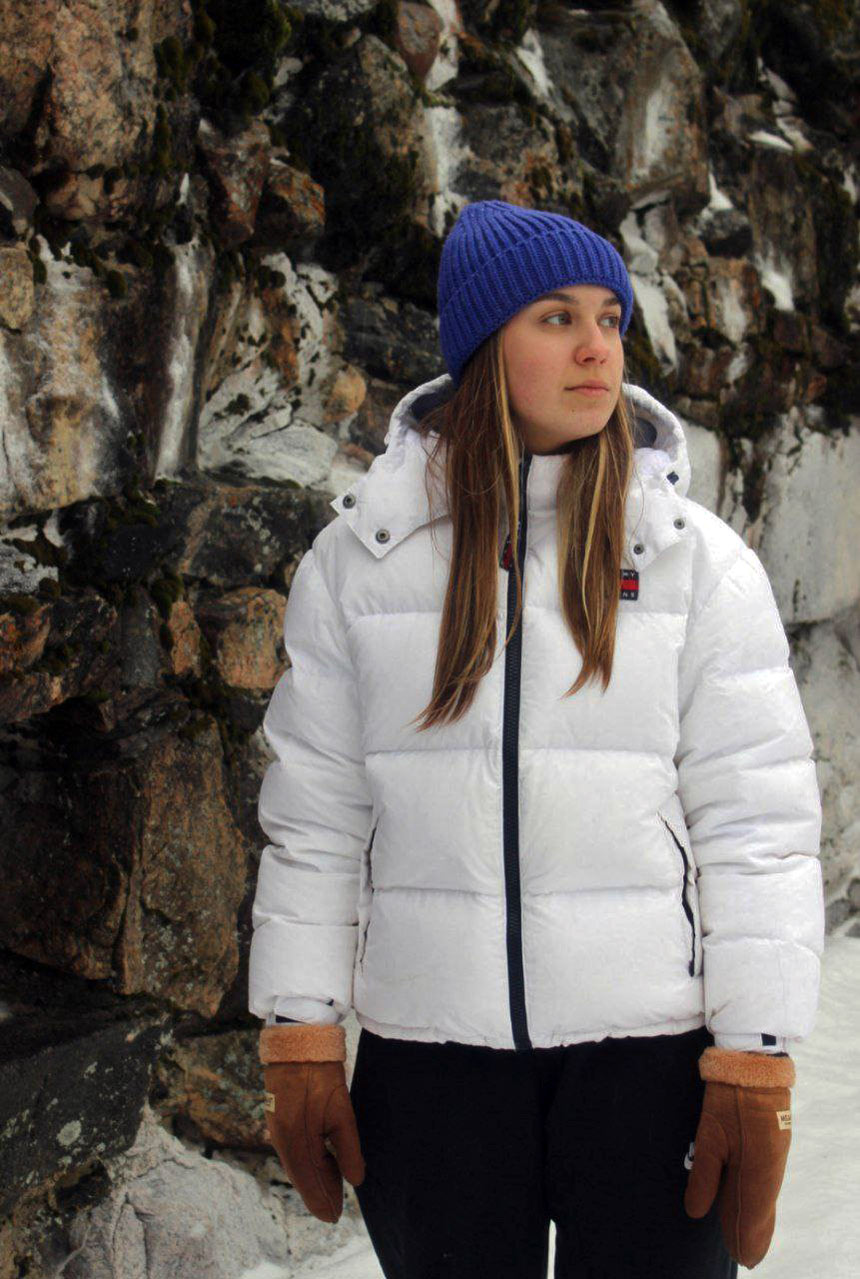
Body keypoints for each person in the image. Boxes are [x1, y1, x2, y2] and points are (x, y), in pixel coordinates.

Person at [248, 200, 824, 1278]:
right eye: (556, 318)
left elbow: (755, 821)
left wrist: (755, 1054)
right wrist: (300, 1033)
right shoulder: (362, 562)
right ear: (482, 348)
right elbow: (316, 817)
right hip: (433, 1073)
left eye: (608, 316)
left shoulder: (693, 563)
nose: (596, 345)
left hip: (650, 1068)